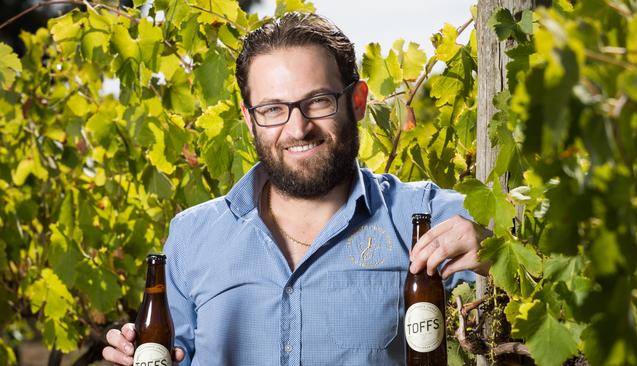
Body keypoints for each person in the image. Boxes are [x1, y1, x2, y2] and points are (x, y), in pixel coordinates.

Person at [103, 12, 490, 365]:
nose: (297, 128)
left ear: (357, 102)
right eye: (272, 109)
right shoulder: (191, 238)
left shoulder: (416, 216)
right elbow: (172, 354)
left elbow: (535, 256)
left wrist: (492, 248)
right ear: (250, 120)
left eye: (318, 101)